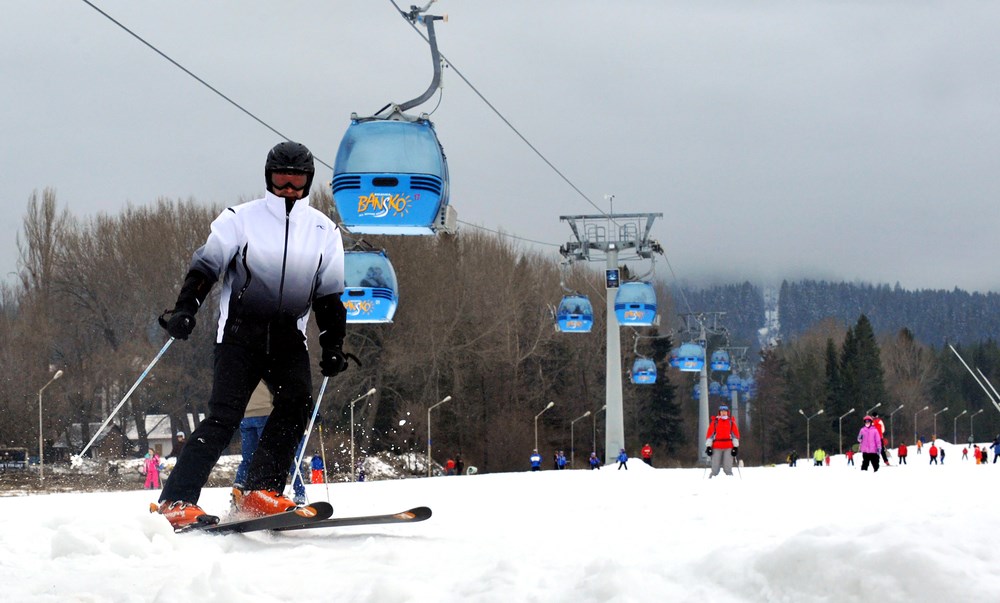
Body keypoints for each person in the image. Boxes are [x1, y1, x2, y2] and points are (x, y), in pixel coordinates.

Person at [152, 142, 349, 530]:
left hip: (289, 337)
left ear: (308, 182)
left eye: (297, 181)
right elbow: (204, 269)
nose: (288, 189)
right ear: (268, 178)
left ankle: (262, 491)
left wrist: (333, 346)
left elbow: (329, 297)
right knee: (224, 419)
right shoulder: (240, 219)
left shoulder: (324, 230)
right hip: (240, 335)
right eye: (281, 180)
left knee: (296, 407)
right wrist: (185, 310)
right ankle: (176, 500)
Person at [233, 380, 307, 507]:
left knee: (249, 459)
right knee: (274, 455)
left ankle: (239, 495)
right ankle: (274, 494)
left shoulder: (240, 361)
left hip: (245, 414)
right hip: (266, 411)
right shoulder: (269, 360)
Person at [705, 405, 740, 478]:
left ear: (727, 413)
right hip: (717, 446)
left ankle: (730, 479)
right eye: (722, 411)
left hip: (728, 446)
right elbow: (710, 435)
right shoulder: (715, 422)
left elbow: (735, 436)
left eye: (725, 411)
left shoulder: (731, 422)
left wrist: (735, 447)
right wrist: (708, 446)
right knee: (715, 468)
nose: (723, 413)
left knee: (728, 467)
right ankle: (711, 480)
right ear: (719, 413)